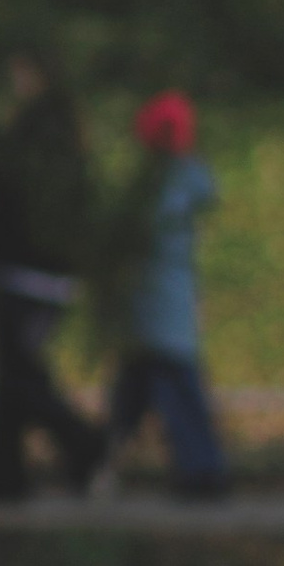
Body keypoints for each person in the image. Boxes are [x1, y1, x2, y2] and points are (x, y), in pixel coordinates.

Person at [0, 49, 107, 504]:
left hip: (30, 268)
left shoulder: (37, 129)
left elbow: (1, 173)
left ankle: (84, 443)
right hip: (40, 269)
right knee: (13, 370)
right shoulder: (62, 130)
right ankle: (2, 472)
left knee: (21, 375)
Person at [104, 90, 228, 498]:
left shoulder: (166, 183)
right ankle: (98, 459)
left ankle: (200, 470)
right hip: (159, 311)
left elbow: (139, 235)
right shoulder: (181, 179)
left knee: (168, 392)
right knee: (140, 391)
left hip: (159, 311)